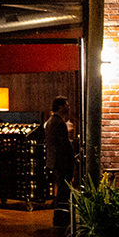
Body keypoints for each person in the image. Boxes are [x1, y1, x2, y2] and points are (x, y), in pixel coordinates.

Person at [45, 96, 75, 229]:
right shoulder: (59, 123)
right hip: (62, 161)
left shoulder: (51, 121)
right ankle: (61, 219)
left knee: (61, 189)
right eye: (66, 105)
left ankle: (59, 218)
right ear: (61, 106)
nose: (68, 107)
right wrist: (73, 156)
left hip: (54, 161)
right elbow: (63, 144)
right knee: (64, 190)